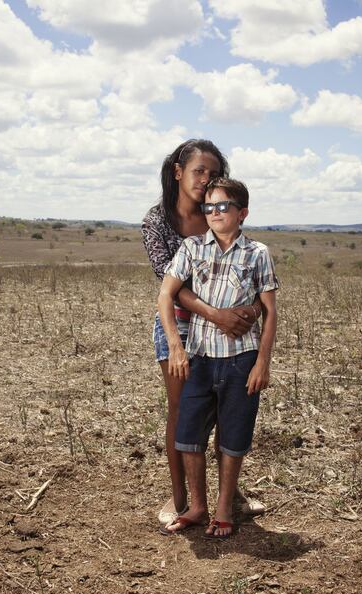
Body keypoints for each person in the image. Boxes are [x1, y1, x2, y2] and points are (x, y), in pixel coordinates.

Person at [141, 140, 263, 526]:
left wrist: (247, 312)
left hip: (228, 332)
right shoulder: (156, 221)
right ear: (178, 171)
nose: (205, 180)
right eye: (198, 171)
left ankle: (230, 496)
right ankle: (179, 499)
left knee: (226, 411)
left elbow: (244, 273)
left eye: (212, 173)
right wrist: (217, 316)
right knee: (183, 412)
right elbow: (171, 287)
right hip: (179, 325)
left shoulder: (217, 212)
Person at [158, 177, 278, 537]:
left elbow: (270, 312)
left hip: (242, 360)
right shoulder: (192, 248)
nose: (213, 213)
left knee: (233, 436)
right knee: (188, 435)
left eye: (222, 206)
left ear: (242, 212)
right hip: (199, 358)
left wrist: (262, 363)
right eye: (208, 207)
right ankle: (198, 506)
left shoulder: (257, 253)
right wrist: (176, 346)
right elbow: (167, 295)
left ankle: (225, 508)